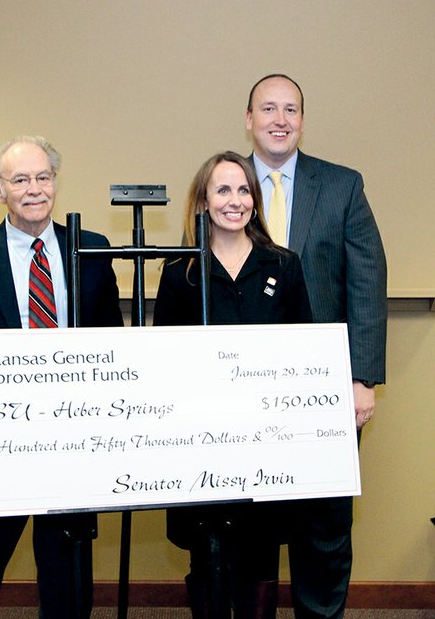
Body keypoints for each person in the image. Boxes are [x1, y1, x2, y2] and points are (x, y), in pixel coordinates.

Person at [0, 135, 123, 619]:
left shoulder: (91, 249)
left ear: (56, 183)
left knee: (67, 576)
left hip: (72, 438)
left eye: (43, 177)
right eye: (20, 179)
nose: (34, 189)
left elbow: (110, 340)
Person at [245, 73, 387, 619]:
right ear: (249, 118)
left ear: (302, 120)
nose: (280, 119)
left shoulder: (342, 185)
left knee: (322, 526)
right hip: (245, 393)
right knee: (252, 525)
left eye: (291, 109)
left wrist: (362, 378)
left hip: (327, 389)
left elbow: (368, 280)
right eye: (269, 108)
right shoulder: (228, 184)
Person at [154, 151, 312, 619]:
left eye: (244, 190)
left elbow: (303, 351)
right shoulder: (180, 271)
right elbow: (162, 362)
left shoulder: (283, 266)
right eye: (223, 190)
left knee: (261, 553)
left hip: (267, 442)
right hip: (200, 443)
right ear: (203, 202)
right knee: (206, 553)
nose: (235, 200)